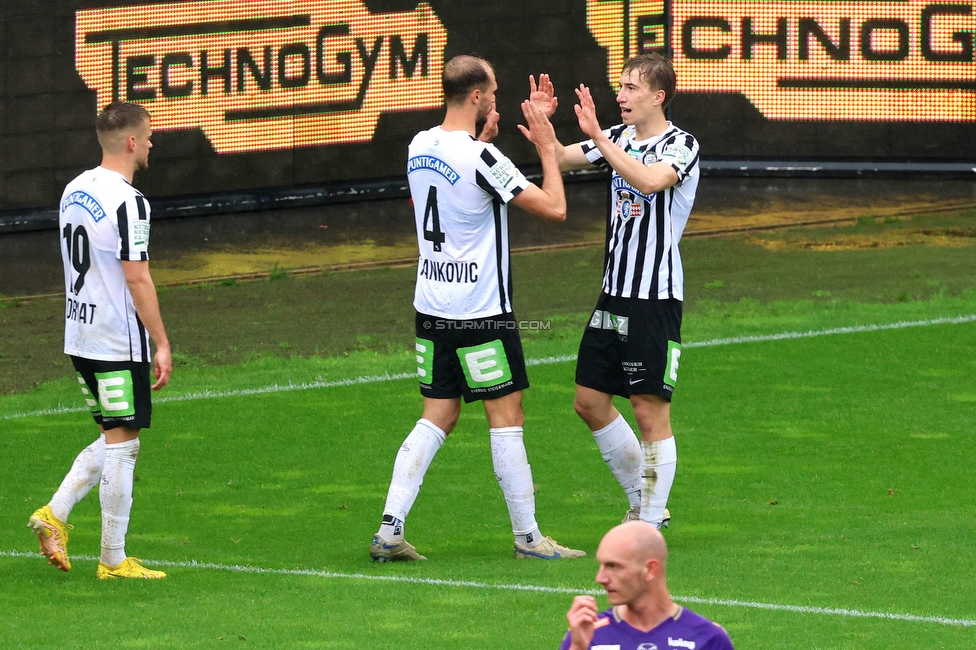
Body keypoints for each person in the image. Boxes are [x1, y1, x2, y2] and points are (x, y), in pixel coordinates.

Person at [369, 55, 585, 561]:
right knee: (506, 415)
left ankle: (389, 530)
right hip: (480, 310)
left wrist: (484, 140)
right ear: (475, 97)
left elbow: (458, 184)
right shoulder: (483, 160)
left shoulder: (419, 145)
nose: (496, 99)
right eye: (492, 92)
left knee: (437, 415)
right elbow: (555, 208)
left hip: (431, 304)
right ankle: (530, 538)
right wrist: (546, 143)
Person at [542, 54, 701, 528]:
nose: (621, 95)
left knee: (649, 410)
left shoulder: (682, 144)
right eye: (621, 86)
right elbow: (561, 158)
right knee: (588, 402)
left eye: (632, 88)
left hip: (654, 298)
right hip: (613, 297)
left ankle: (648, 522)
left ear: (659, 96)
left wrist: (597, 137)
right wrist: (544, 126)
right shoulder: (616, 136)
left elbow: (651, 182)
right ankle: (645, 498)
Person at [28, 101, 172, 579]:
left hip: (78, 332)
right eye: (148, 136)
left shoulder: (74, 189)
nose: (151, 143)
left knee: (114, 433)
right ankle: (112, 559)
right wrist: (162, 341)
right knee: (124, 443)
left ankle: (54, 515)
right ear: (131, 142)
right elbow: (138, 279)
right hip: (114, 338)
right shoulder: (131, 202)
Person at [560, 521, 734, 649]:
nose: (600, 578)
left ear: (650, 570)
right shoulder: (589, 635)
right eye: (601, 565)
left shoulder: (708, 639)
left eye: (614, 566)